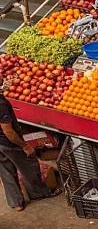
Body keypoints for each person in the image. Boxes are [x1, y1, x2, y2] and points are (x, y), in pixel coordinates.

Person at [0, 75, 59, 211]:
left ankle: (16, 203)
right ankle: (39, 193)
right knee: (29, 165)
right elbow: (8, 131)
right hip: (8, 142)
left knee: (6, 170)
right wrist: (24, 146)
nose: (2, 76)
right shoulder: (1, 104)